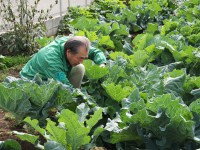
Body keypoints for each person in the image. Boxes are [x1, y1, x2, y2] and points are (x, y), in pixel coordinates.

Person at [19, 36, 106, 89]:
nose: (81, 61)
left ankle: (71, 99)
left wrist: (102, 63)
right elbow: (64, 84)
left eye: (84, 58)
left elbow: (96, 52)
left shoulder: (77, 45)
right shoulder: (51, 60)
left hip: (53, 74)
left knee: (79, 68)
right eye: (79, 58)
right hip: (33, 80)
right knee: (62, 89)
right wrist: (82, 98)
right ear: (68, 52)